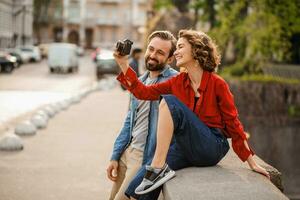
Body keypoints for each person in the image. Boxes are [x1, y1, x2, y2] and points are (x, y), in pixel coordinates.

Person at [114, 29, 270, 197]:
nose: (176, 52)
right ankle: (156, 170)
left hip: (212, 146)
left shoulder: (218, 84)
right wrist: (123, 63)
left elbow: (233, 123)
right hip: (186, 146)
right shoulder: (178, 82)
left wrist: (251, 162)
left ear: (195, 51)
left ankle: (158, 168)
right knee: (136, 187)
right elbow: (142, 92)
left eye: (180, 47)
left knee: (168, 101)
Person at [107, 30, 178, 200]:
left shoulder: (175, 82)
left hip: (144, 157)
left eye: (160, 52)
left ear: (170, 59)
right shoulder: (140, 80)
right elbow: (129, 121)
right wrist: (115, 155)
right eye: (151, 49)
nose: (153, 55)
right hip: (128, 151)